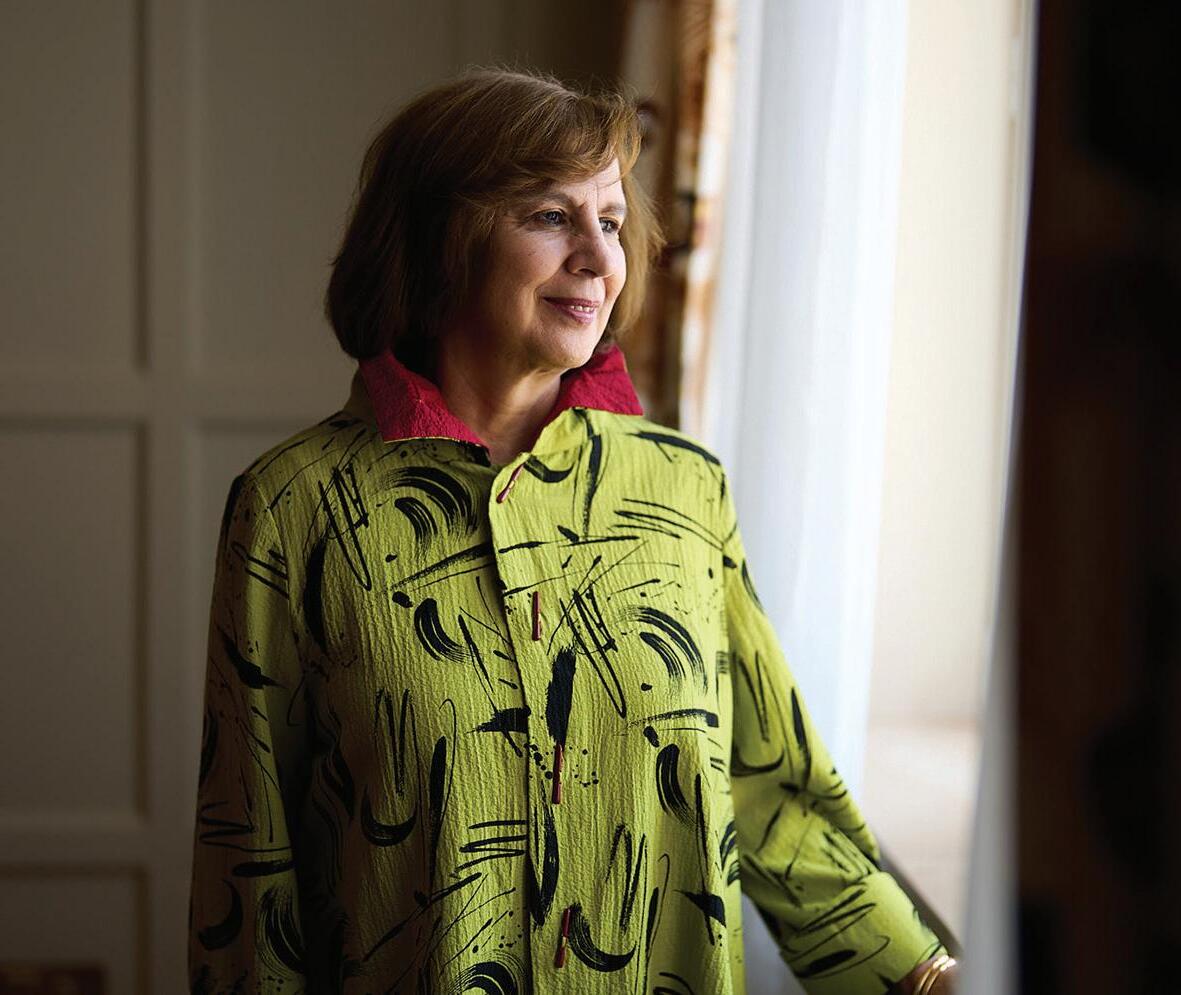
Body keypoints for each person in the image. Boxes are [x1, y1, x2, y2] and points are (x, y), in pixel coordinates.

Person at [188, 68, 959, 995]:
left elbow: (765, 787)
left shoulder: (682, 490)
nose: (599, 256)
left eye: (612, 219)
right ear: (438, 238)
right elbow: (250, 862)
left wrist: (923, 977)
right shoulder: (295, 508)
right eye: (552, 216)